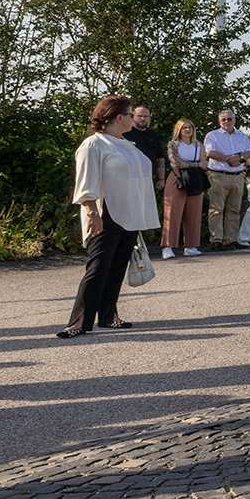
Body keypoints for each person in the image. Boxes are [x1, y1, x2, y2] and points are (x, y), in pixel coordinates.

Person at [58, 95, 160, 338]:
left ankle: (108, 316)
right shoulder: (94, 144)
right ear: (118, 117)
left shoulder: (125, 143)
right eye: (130, 114)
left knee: (116, 267)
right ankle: (79, 322)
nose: (134, 118)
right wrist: (93, 214)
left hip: (128, 214)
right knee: (98, 268)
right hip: (105, 214)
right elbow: (85, 184)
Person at [203, 110, 250, 250]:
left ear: (234, 120)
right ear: (219, 122)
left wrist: (240, 159)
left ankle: (230, 240)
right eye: (223, 120)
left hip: (237, 176)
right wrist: (229, 159)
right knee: (216, 209)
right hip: (219, 175)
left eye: (229, 119)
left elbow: (249, 152)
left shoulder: (242, 136)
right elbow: (209, 152)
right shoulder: (213, 135)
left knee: (234, 209)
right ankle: (216, 240)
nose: (226, 122)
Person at [161, 118, 207, 258]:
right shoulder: (173, 144)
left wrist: (191, 164)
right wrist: (196, 164)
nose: (187, 130)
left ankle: (191, 245)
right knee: (172, 212)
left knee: (194, 212)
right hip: (177, 178)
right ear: (179, 130)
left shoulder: (199, 145)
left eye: (190, 127)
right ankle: (167, 247)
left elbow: (204, 164)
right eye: (184, 127)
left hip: (195, 179)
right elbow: (176, 163)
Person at [122, 104, 167, 197]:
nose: (142, 118)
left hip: (148, 179)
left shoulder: (153, 136)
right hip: (128, 180)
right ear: (133, 117)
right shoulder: (124, 134)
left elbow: (160, 158)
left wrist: (161, 179)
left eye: (145, 116)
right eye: (139, 116)